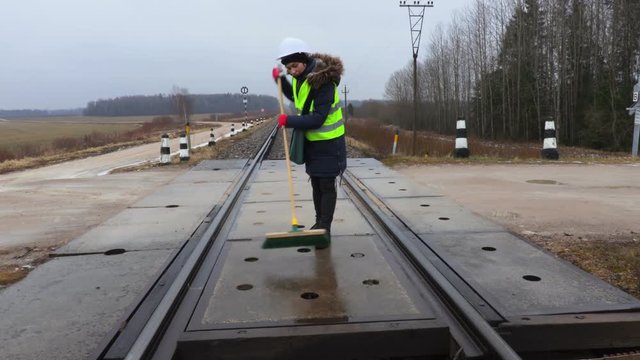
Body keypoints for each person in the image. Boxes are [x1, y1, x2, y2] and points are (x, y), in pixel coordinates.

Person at [271, 37, 346, 244]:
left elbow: (318, 118)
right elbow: (298, 99)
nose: (292, 71)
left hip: (330, 143)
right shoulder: (300, 77)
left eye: (294, 66)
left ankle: (325, 229)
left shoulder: (324, 81)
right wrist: (280, 81)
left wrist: (289, 120)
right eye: (288, 68)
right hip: (313, 142)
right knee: (316, 182)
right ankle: (318, 223)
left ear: (304, 60)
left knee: (326, 185)